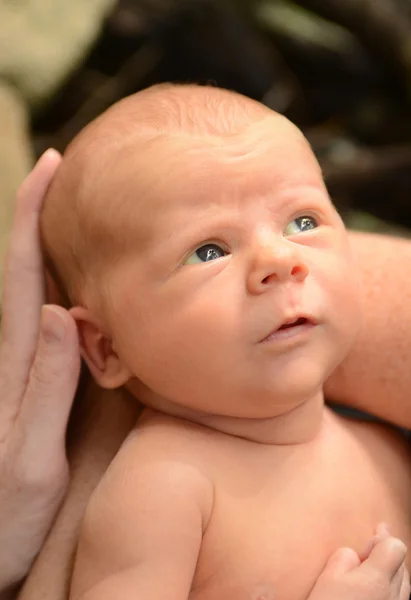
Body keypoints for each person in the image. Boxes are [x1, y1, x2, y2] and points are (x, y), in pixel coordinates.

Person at [38, 83, 411, 600]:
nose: (280, 260)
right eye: (208, 251)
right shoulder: (165, 493)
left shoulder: (386, 448)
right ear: (107, 347)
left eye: (303, 221)